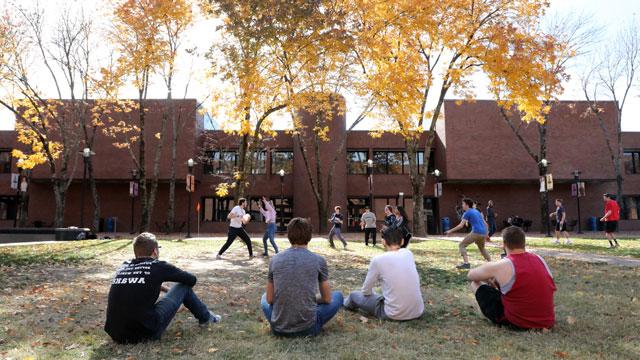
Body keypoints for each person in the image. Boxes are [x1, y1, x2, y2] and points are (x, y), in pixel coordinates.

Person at [104, 233, 221, 344]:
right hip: (145, 333)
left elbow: (136, 284)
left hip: (116, 334)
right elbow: (191, 279)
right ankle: (207, 318)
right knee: (183, 286)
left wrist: (168, 291)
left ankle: (206, 317)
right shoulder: (157, 266)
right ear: (155, 252)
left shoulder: (124, 266)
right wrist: (177, 292)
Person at [261, 217, 343, 336]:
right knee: (338, 296)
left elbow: (269, 299)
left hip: (278, 328)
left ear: (289, 235)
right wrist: (311, 299)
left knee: (264, 296)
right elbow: (326, 299)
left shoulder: (275, 259)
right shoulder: (319, 260)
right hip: (309, 328)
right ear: (309, 236)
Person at [467, 226, 556, 330]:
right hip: (547, 321)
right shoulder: (540, 259)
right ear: (523, 243)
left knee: (475, 283)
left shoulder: (502, 265)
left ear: (504, 244)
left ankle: (484, 312)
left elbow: (471, 275)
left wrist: (489, 277)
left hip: (518, 322)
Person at [344, 228, 424, 320]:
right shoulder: (408, 254)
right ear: (402, 241)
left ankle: (344, 303)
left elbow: (366, 291)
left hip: (392, 313)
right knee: (379, 291)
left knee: (354, 295)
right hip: (418, 311)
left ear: (383, 242)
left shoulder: (378, 260)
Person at [445, 198, 491, 269]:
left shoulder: (467, 213)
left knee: (462, 245)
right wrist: (487, 234)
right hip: (483, 233)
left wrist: (450, 231)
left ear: (467, 205)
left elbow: (461, 225)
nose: (462, 205)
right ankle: (491, 263)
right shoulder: (477, 211)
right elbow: (486, 224)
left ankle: (466, 264)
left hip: (476, 232)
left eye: (463, 204)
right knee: (482, 248)